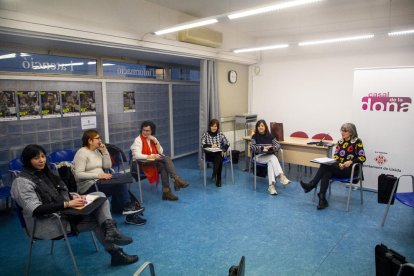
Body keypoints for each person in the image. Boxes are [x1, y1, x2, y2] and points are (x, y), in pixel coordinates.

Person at [11, 144, 138, 266]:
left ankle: (111, 230)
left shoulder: (44, 173)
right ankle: (115, 250)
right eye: (36, 158)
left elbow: (55, 194)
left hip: (64, 213)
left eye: (43, 156)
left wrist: (72, 196)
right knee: (96, 220)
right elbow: (36, 209)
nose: (41, 160)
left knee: (100, 195)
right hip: (49, 223)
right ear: (27, 160)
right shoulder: (21, 182)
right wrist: (67, 203)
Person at [73, 129, 146, 226]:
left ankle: (128, 208)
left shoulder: (97, 151)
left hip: (100, 181)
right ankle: (129, 209)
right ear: (89, 141)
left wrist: (104, 150)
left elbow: (107, 166)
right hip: (89, 186)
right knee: (119, 183)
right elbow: (78, 174)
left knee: (121, 178)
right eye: (97, 138)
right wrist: (98, 175)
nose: (100, 140)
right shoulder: (81, 153)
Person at [300, 123, 366, 210]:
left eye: (345, 131)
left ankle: (312, 185)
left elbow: (362, 157)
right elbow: (336, 157)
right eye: (341, 130)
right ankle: (322, 199)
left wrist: (351, 161)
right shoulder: (340, 142)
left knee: (325, 166)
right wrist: (339, 163)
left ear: (351, 132)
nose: (342, 132)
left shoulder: (357, 141)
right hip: (339, 168)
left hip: (351, 170)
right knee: (326, 171)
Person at [131, 120, 189, 201]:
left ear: (152, 131)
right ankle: (175, 181)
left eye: (147, 131)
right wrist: (153, 157)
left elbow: (160, 151)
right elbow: (137, 156)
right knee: (167, 159)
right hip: (139, 165)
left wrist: (155, 141)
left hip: (150, 163)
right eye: (143, 130)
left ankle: (168, 191)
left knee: (164, 166)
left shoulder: (152, 139)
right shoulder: (138, 140)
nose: (145, 132)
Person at [250, 119, 290, 195]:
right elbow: (252, 147)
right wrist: (262, 148)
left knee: (271, 162)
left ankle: (271, 186)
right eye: (258, 126)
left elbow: (278, 145)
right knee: (273, 158)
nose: (260, 127)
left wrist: (273, 148)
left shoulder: (270, 136)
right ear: (257, 128)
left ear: (265, 127)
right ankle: (281, 176)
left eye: (262, 125)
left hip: (268, 156)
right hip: (258, 156)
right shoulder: (254, 136)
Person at [201, 118, 230, 187]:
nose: (214, 128)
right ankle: (218, 178)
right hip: (209, 154)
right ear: (210, 126)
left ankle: (215, 174)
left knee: (218, 154)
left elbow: (228, 143)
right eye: (212, 126)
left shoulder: (220, 134)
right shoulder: (206, 134)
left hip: (219, 153)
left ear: (217, 127)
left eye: (215, 126)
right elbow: (202, 144)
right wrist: (211, 145)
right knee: (219, 156)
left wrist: (223, 150)